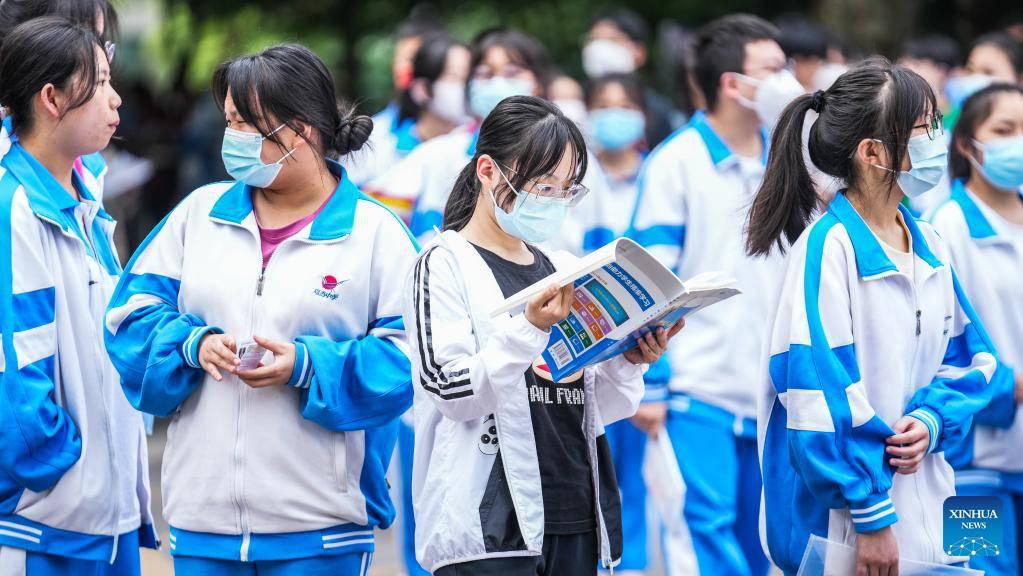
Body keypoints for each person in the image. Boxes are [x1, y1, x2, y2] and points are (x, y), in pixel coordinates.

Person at [104, 44, 418, 575]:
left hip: (321, 531)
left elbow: (410, 362)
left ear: (300, 132)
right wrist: (193, 345)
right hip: (202, 525)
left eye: (245, 124)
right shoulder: (199, 216)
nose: (231, 137)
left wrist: (307, 366)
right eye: (229, 121)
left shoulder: (374, 234)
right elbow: (127, 318)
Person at [747, 57, 1007, 575]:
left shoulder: (929, 242)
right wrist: (869, 513)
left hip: (936, 502)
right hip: (852, 525)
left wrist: (933, 419)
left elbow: (974, 360)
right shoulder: (829, 249)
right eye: (925, 127)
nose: (938, 138)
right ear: (873, 153)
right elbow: (816, 393)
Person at [404, 94, 680, 576]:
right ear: (488, 171)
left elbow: (596, 406)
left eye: (566, 189)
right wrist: (529, 329)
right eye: (542, 186)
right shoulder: (443, 264)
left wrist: (629, 360)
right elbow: (452, 391)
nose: (553, 200)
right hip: (490, 530)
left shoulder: (563, 268)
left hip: (574, 510)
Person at [626, 14, 794, 576]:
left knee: (764, 543)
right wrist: (652, 384)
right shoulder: (675, 163)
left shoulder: (791, 162)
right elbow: (648, 279)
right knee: (704, 536)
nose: (788, 81)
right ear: (732, 84)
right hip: (696, 391)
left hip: (773, 393)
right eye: (773, 69)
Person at [0, 17, 157, 575]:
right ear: (51, 98)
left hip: (103, 521)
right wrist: (63, 468)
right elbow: (15, 372)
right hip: (46, 527)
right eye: (102, 83)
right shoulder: (15, 210)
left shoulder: (84, 202)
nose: (117, 100)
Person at [375, 27, 611, 256]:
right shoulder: (437, 155)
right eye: (485, 74)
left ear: (538, 82)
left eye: (512, 73)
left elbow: (601, 248)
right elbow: (377, 222)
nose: (498, 83)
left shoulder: (575, 160)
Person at [929, 83, 1023, 576]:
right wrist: (1009, 386)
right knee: (980, 572)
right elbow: (933, 346)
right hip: (972, 465)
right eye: (1005, 130)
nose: (1018, 142)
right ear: (967, 144)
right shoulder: (946, 228)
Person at [349, 34, 471, 218]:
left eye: (471, 77)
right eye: (455, 77)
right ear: (423, 89)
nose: (466, 88)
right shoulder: (378, 145)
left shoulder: (478, 148)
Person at [581, 7, 681, 147]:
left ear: (639, 52)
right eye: (593, 39)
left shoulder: (660, 111)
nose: (599, 48)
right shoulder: (574, 101)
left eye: (613, 40)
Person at [371, 6, 445, 132]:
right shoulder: (376, 132)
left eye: (411, 59)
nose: (402, 67)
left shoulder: (465, 131)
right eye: (399, 58)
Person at [900, 34, 963, 116]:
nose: (905, 68)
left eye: (916, 64)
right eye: (903, 63)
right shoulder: (899, 113)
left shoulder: (962, 118)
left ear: (942, 70)